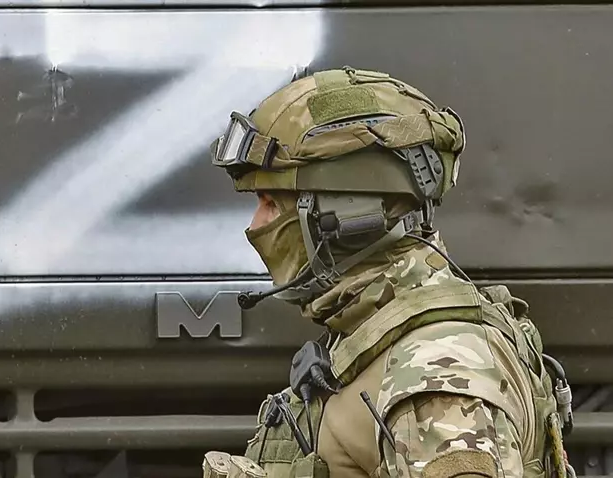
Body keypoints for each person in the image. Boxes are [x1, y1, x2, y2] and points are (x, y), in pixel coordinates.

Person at [201, 67, 575, 478]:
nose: (256, 225)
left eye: (271, 203)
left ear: (344, 213)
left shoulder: (435, 375)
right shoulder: (376, 333)